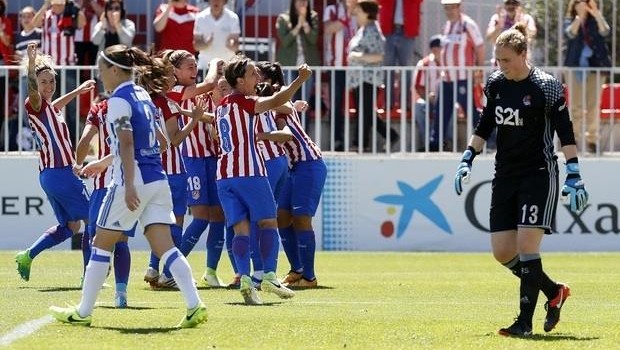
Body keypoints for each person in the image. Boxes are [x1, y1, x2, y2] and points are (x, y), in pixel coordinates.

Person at [50, 44, 207, 328]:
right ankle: (194, 305)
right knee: (166, 246)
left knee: (100, 243)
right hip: (158, 180)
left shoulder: (119, 100)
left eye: (101, 70)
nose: (100, 76)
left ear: (113, 69)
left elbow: (127, 141)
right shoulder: (144, 96)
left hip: (130, 182)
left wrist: (129, 183)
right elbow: (159, 143)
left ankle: (83, 312)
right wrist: (105, 162)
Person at [454, 23, 588, 337]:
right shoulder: (496, 83)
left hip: (538, 174)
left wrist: (574, 172)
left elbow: (564, 132)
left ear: (523, 54)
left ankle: (524, 324)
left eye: (506, 60)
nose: (501, 66)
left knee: (527, 246)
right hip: (505, 175)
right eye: (497, 60)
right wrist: (467, 158)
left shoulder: (547, 86)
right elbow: (486, 124)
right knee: (502, 252)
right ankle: (554, 292)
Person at [215, 56, 310, 304]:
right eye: (252, 74)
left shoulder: (221, 106)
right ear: (239, 80)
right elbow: (278, 101)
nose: (258, 78)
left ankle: (246, 279)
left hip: (224, 175)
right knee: (268, 222)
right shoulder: (245, 102)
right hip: (249, 172)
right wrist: (299, 80)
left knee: (240, 230)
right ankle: (268, 275)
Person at [15, 43, 95, 282]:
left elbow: (57, 105)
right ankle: (89, 276)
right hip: (60, 172)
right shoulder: (35, 103)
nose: (48, 86)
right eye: (43, 82)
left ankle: (28, 255)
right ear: (36, 85)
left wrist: (78, 91)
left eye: (51, 82)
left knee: (70, 227)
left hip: (50, 175)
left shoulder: (49, 108)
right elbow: (32, 91)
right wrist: (31, 64)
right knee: (92, 219)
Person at [255, 61, 326, 288]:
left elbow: (283, 118)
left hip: (309, 163)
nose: (254, 80)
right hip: (294, 167)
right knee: (282, 218)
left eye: (258, 76)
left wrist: (264, 135)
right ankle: (297, 269)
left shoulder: (276, 101)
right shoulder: (275, 102)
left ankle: (310, 277)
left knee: (302, 219)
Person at [75, 96, 134, 308]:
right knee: (122, 240)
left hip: (103, 185)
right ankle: (121, 294)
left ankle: (88, 293)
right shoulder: (134, 105)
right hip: (128, 181)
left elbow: (84, 141)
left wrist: (78, 163)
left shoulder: (99, 110)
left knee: (94, 237)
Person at [431, 0, 485, 152]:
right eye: (446, 8)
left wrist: (479, 70)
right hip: (447, 78)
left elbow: (479, 47)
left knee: (472, 112)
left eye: (451, 7)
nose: (448, 11)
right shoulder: (447, 26)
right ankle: (435, 145)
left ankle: (489, 140)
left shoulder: (468, 24)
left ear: (459, 7)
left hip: (463, 77)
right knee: (441, 112)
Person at [348, 0, 398, 152]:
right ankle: (390, 135)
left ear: (367, 13)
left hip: (368, 79)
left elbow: (378, 56)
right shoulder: (363, 30)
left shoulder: (373, 30)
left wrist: (357, 56)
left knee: (365, 113)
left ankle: (361, 143)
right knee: (366, 112)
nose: (356, 14)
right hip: (359, 79)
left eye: (360, 11)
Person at [563, 0, 611, 154]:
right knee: (575, 106)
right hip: (575, 67)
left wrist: (596, 13)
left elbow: (605, 32)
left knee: (593, 106)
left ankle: (592, 142)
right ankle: (573, 141)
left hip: (596, 68)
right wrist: (579, 17)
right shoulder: (569, 20)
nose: (583, 4)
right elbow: (569, 34)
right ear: (574, 4)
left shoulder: (596, 20)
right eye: (580, 2)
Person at [323, 0, 357, 151]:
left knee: (360, 103)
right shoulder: (331, 8)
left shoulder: (358, 10)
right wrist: (346, 17)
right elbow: (329, 29)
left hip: (355, 66)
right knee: (336, 104)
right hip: (336, 65)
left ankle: (359, 141)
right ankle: (337, 140)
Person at [378, 0, 424, 108]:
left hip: (407, 30)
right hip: (388, 29)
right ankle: (388, 103)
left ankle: (405, 103)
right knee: (388, 68)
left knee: (406, 69)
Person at [193, 0, 240, 72]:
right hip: (205, 67)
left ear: (225, 1)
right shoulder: (200, 17)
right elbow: (196, 46)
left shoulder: (233, 17)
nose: (216, 1)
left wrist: (232, 44)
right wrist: (206, 43)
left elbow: (236, 46)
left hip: (227, 68)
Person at [413, 35, 442, 151]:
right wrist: (428, 96)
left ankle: (447, 142)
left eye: (439, 48)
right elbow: (418, 86)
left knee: (452, 109)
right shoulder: (424, 64)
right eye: (435, 49)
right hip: (429, 100)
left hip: (446, 100)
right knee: (419, 107)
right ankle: (429, 142)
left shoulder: (450, 62)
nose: (437, 51)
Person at [486, 0, 536, 65]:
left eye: (514, 3)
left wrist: (521, 24)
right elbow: (489, 37)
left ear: (519, 5)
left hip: (521, 61)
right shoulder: (497, 18)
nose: (511, 6)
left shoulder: (526, 18)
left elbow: (532, 34)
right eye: (508, 3)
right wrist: (498, 26)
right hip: (500, 62)